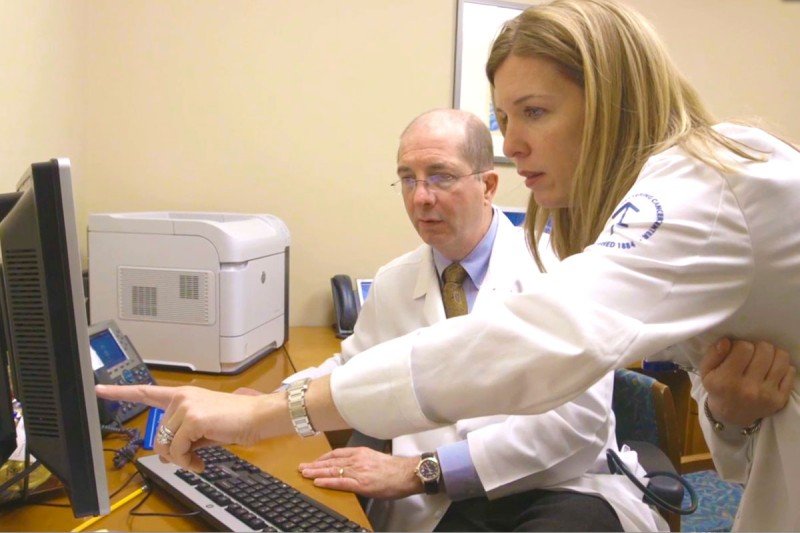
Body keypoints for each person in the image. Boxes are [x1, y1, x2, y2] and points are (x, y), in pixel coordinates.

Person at [97, 0, 798, 530]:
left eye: (535, 111)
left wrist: (270, 416)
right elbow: (748, 453)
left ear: (613, 100)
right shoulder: (408, 275)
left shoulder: (703, 184)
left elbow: (537, 347)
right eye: (504, 118)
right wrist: (734, 416)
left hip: (559, 491)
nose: (513, 144)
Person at [284, 108, 664, 531]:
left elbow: (574, 427)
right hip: (438, 505)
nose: (420, 197)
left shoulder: (559, 267)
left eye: (440, 176)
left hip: (557, 490)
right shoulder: (395, 282)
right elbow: (349, 370)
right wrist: (266, 405)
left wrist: (419, 471)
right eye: (408, 178)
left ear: (488, 185)